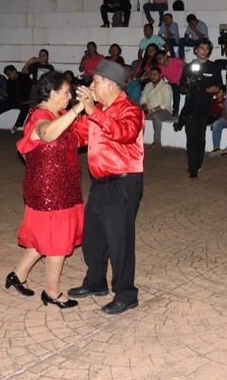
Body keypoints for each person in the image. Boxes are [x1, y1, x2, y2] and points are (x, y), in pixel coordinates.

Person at [67, 60, 145, 315]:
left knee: (119, 241)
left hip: (123, 182)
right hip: (100, 182)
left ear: (110, 84)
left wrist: (93, 112)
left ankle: (126, 294)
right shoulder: (97, 110)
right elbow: (76, 136)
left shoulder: (130, 109)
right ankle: (95, 281)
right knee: (93, 236)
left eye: (95, 81)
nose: (91, 86)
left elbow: (126, 133)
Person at [7, 72, 87, 308]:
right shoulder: (40, 115)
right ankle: (52, 292)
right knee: (57, 240)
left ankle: (18, 275)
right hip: (50, 190)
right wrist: (77, 109)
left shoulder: (59, 113)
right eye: (66, 92)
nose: (69, 97)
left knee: (44, 236)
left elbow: (81, 136)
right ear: (51, 93)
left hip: (63, 185)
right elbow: (47, 134)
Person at [178, 39, 223, 178]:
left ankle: (197, 164)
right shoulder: (188, 67)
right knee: (191, 138)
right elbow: (182, 89)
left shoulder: (213, 68)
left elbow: (220, 88)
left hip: (205, 108)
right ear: (196, 50)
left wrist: (213, 89)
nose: (204, 51)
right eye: (201, 48)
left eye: (206, 48)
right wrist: (187, 85)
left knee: (200, 138)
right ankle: (192, 167)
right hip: (190, 107)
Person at [0, 65, 32, 133]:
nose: (9, 76)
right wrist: (2, 92)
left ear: (14, 71)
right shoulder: (10, 81)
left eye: (9, 74)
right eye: (7, 75)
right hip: (13, 100)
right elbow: (9, 95)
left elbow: (31, 90)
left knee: (25, 108)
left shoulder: (24, 77)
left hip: (25, 101)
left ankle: (16, 126)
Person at [139, 66, 173, 145]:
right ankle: (138, 140)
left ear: (160, 75)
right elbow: (143, 100)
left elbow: (166, 104)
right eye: (151, 74)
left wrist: (152, 110)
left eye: (155, 74)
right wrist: (145, 109)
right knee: (138, 115)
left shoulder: (166, 86)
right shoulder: (148, 85)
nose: (152, 76)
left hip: (164, 111)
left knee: (156, 116)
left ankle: (157, 141)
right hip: (150, 111)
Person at [156, 51, 184, 115]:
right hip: (171, 82)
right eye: (157, 59)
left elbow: (186, 66)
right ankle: (162, 109)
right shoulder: (160, 67)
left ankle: (175, 110)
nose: (159, 61)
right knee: (162, 89)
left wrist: (182, 79)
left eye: (160, 58)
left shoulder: (175, 61)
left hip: (181, 81)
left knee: (175, 90)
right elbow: (161, 77)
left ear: (165, 56)